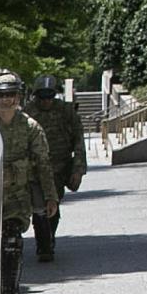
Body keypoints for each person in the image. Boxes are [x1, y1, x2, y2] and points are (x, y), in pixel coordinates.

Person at [0, 70, 52, 294]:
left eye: (11, 95)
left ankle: (10, 289)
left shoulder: (31, 127)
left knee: (12, 239)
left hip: (17, 196)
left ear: (18, 97)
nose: (6, 100)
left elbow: (43, 164)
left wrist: (50, 197)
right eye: (1, 95)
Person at [26, 76, 88, 261]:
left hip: (59, 167)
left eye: (50, 96)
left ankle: (49, 238)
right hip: (34, 168)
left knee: (53, 202)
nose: (46, 101)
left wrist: (78, 168)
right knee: (38, 206)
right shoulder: (28, 113)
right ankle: (43, 244)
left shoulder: (66, 111)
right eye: (42, 96)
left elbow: (78, 139)